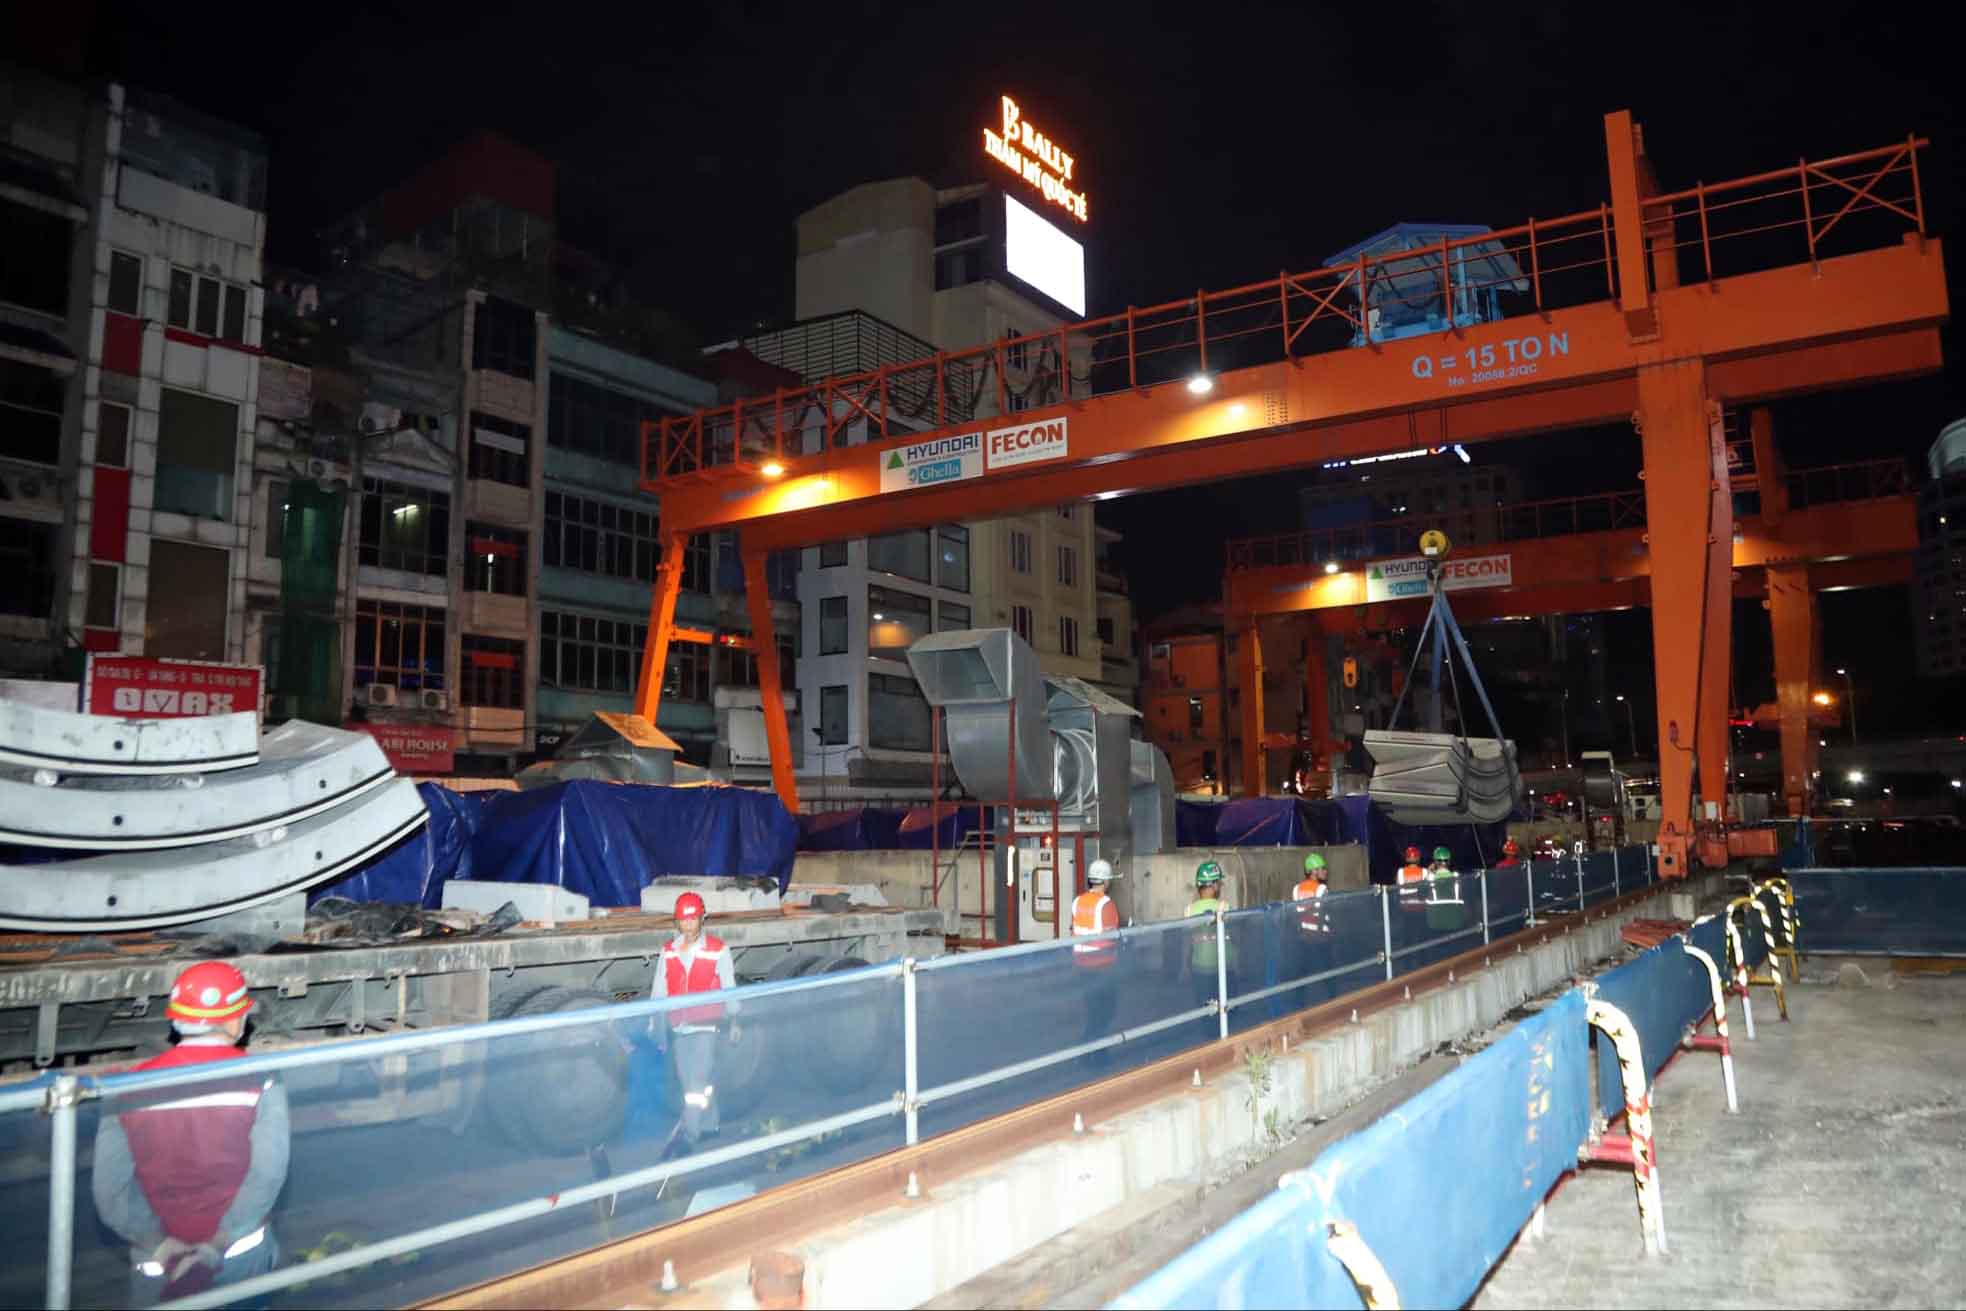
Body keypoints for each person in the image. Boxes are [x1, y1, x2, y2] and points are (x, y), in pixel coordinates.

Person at [91, 961, 289, 1307]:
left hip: (161, 1264)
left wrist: (162, 1247)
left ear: (176, 1019)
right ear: (233, 1020)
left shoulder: (125, 1088)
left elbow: (110, 1193)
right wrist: (217, 1244)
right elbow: (267, 1176)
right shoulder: (261, 1081)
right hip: (239, 1256)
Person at [653, 892, 737, 1155]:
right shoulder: (668, 952)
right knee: (690, 1080)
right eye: (683, 921)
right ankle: (711, 1124)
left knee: (695, 1084)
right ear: (677, 922)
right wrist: (654, 1020)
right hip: (679, 1025)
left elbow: (730, 988)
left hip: (706, 1025)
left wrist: (735, 1019)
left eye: (692, 920)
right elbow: (659, 988)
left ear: (703, 919)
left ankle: (689, 1134)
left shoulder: (718, 950)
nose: (688, 926)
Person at [1070, 859, 1123, 1056]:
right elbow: (1112, 936)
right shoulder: (1106, 904)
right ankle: (1095, 1053)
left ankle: (1089, 1051)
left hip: (1082, 965)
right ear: (1105, 881)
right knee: (1105, 1012)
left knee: (1092, 1010)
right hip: (1103, 966)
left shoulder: (1078, 901)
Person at [1186, 860, 1234, 1011]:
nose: (1219, 886)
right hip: (1224, 967)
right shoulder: (1224, 907)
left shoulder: (1188, 910)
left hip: (1199, 968)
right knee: (1226, 1008)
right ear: (1213, 885)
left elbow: (1188, 942)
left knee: (1205, 1008)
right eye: (1218, 883)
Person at [1425, 845, 1466, 932]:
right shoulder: (1457, 876)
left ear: (1435, 862)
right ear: (1449, 861)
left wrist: (1428, 872)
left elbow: (1420, 894)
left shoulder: (1430, 878)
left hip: (1435, 924)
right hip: (1456, 922)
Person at [1292, 852, 1331, 936]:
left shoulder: (1296, 888)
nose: (1325, 871)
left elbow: (1297, 914)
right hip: (1321, 935)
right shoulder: (1322, 889)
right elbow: (1323, 913)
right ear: (1314, 871)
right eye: (1322, 868)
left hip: (1304, 934)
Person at [1395, 844, 1428, 912]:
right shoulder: (1424, 871)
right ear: (1418, 858)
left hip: (1405, 906)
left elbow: (1397, 888)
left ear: (1406, 858)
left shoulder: (1400, 871)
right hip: (1421, 906)